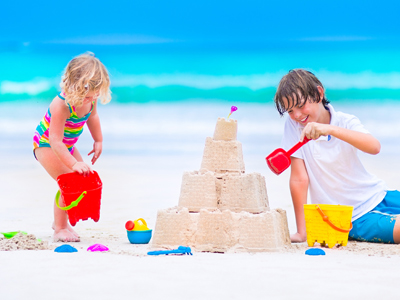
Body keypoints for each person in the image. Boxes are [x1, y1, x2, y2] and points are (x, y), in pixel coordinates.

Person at [274, 69, 400, 244]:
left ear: (319, 93)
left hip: (379, 195)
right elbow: (299, 179)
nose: (296, 115)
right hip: (351, 217)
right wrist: (302, 232)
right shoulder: (294, 126)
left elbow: (374, 147)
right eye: (290, 111)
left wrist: (329, 129)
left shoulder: (344, 122)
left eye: (301, 106)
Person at [33, 52, 111, 242]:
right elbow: (55, 141)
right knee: (70, 182)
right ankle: (59, 228)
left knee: (81, 182)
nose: (89, 100)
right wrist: (73, 163)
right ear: (71, 86)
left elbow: (93, 117)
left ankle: (61, 222)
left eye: (94, 96)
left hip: (66, 145)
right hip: (46, 144)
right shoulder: (61, 105)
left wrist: (98, 140)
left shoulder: (90, 100)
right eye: (85, 96)